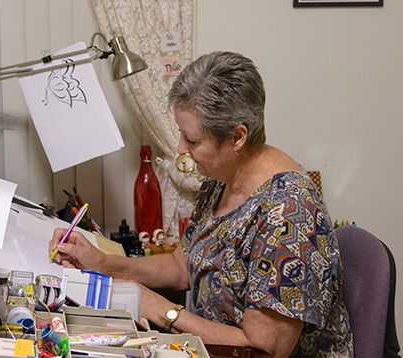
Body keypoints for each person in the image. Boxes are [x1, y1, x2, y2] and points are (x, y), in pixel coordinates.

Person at [49, 51, 353, 358]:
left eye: (192, 140)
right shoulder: (220, 179)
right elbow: (181, 266)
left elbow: (266, 348)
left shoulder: (289, 211)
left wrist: (163, 310)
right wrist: (102, 264)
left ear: (237, 137)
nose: (181, 148)